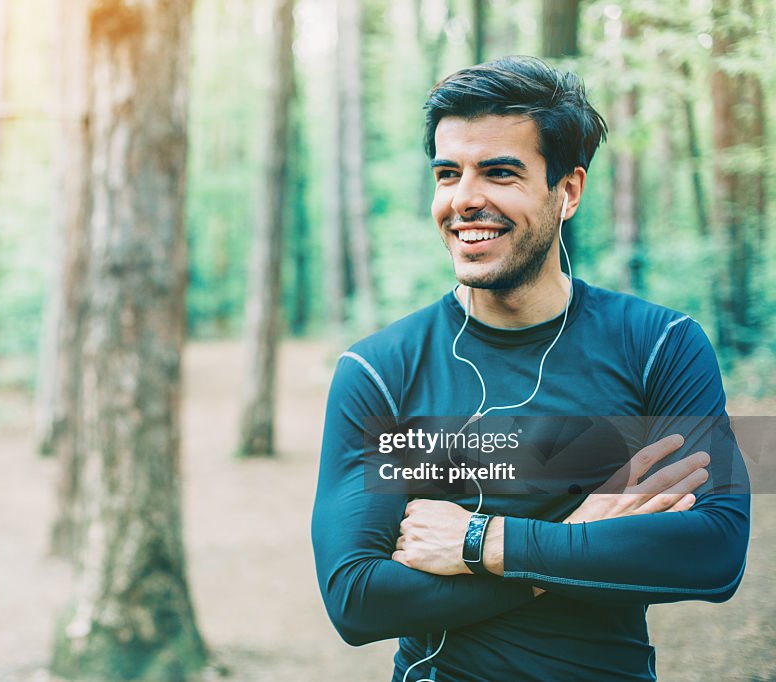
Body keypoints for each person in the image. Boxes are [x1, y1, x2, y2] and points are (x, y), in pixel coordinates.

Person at [311, 56, 750, 682]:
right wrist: (577, 541)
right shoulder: (380, 372)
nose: (465, 199)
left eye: (499, 173)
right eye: (447, 174)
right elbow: (357, 599)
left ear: (567, 191)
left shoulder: (659, 345)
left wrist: (482, 543)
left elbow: (716, 553)